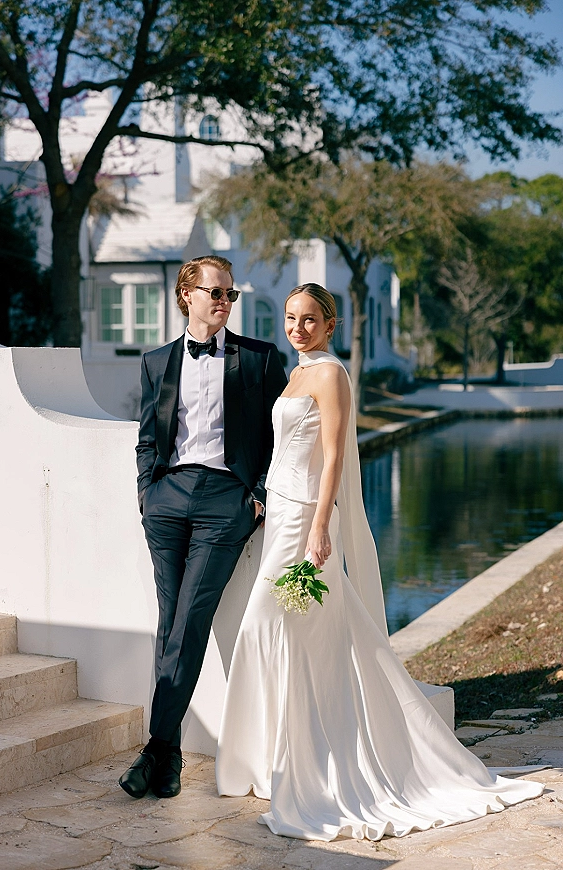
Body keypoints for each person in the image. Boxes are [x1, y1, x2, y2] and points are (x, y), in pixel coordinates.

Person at [215, 282, 543, 841]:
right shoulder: (295, 372)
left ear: (330, 323)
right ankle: (268, 759)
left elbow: (337, 452)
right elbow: (290, 448)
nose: (297, 328)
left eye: (309, 319)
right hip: (282, 515)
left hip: (307, 522)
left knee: (278, 629)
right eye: (291, 318)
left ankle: (315, 763)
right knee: (288, 634)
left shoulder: (331, 374)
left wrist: (321, 525)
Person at [119, 255, 287, 800]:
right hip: (167, 502)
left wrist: (257, 493)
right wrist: (148, 492)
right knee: (172, 624)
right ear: (186, 295)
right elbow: (149, 434)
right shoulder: (156, 361)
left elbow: (283, 434)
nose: (223, 301)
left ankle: (154, 751)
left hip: (224, 502)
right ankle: (166, 760)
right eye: (214, 292)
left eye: (229, 294)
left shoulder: (259, 359)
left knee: (189, 620)